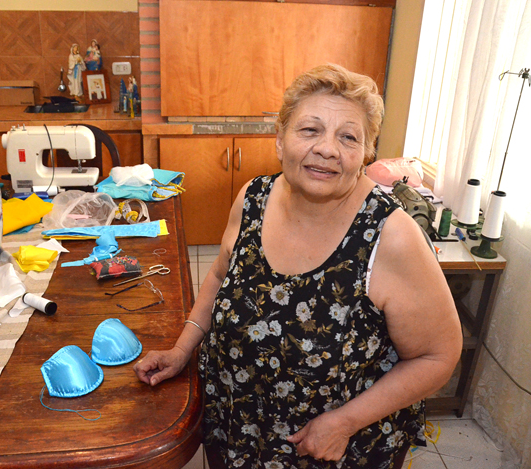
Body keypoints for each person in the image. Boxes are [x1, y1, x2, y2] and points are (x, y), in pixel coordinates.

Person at [134, 64, 462, 469]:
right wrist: (183, 348)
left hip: (329, 448)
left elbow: (438, 357)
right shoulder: (253, 198)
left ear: (365, 154)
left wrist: (344, 423)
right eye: (310, 130)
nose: (327, 148)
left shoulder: (391, 236)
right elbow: (221, 274)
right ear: (279, 140)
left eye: (348, 137)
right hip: (236, 430)